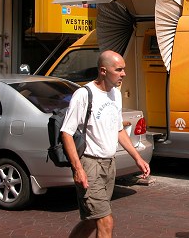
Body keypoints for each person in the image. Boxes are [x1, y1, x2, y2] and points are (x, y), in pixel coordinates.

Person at [61, 50, 150, 238]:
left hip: (109, 165)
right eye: (118, 70)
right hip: (90, 164)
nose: (123, 74)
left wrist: (137, 158)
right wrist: (78, 169)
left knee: (92, 220)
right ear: (103, 71)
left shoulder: (115, 94)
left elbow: (118, 130)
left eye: (123, 69)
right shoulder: (84, 95)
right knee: (105, 220)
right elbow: (66, 133)